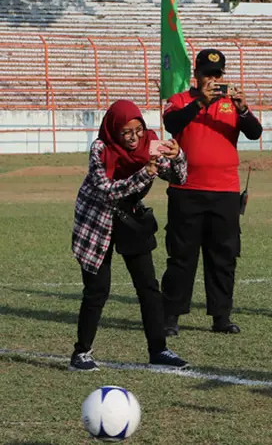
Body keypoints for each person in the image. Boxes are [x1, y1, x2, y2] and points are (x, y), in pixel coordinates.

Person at [70, 100, 189, 371]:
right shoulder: (100, 148)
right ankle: (81, 353)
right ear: (114, 130)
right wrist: (144, 173)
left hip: (130, 218)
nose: (134, 138)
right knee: (97, 289)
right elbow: (105, 190)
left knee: (148, 287)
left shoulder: (152, 143)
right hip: (96, 220)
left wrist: (177, 154)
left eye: (138, 130)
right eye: (126, 132)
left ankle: (159, 350)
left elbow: (179, 178)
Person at [160, 49, 263, 336]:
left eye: (218, 75)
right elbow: (171, 124)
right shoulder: (180, 100)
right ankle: (171, 316)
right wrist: (201, 102)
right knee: (182, 256)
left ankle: (221, 316)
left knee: (224, 256)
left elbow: (255, 132)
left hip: (226, 192)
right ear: (196, 75)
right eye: (207, 74)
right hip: (186, 190)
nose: (213, 80)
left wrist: (243, 109)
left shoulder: (232, 103)